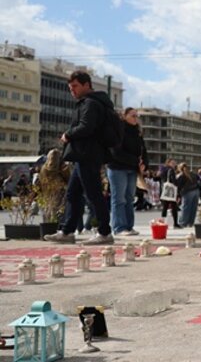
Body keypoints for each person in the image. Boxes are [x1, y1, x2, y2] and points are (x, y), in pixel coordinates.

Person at [43, 70, 114, 245]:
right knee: (73, 194)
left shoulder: (90, 103)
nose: (72, 90)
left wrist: (68, 134)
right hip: (83, 155)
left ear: (86, 85)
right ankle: (67, 232)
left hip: (87, 154)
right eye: (70, 87)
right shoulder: (91, 102)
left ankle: (105, 233)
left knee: (93, 195)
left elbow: (86, 127)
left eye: (75, 86)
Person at [105, 108, 148, 237]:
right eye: (133, 115)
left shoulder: (137, 132)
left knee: (129, 198)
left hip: (132, 168)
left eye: (137, 115)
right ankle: (119, 227)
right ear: (124, 116)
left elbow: (143, 149)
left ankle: (129, 226)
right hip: (118, 168)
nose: (136, 118)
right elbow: (115, 152)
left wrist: (144, 163)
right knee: (119, 199)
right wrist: (135, 161)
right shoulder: (118, 129)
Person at [176, 163, 201, 227]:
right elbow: (199, 181)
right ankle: (190, 223)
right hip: (196, 191)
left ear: (180, 168)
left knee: (186, 208)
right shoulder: (193, 173)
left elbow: (178, 186)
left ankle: (183, 223)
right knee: (193, 208)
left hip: (188, 192)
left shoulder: (181, 175)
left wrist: (178, 195)